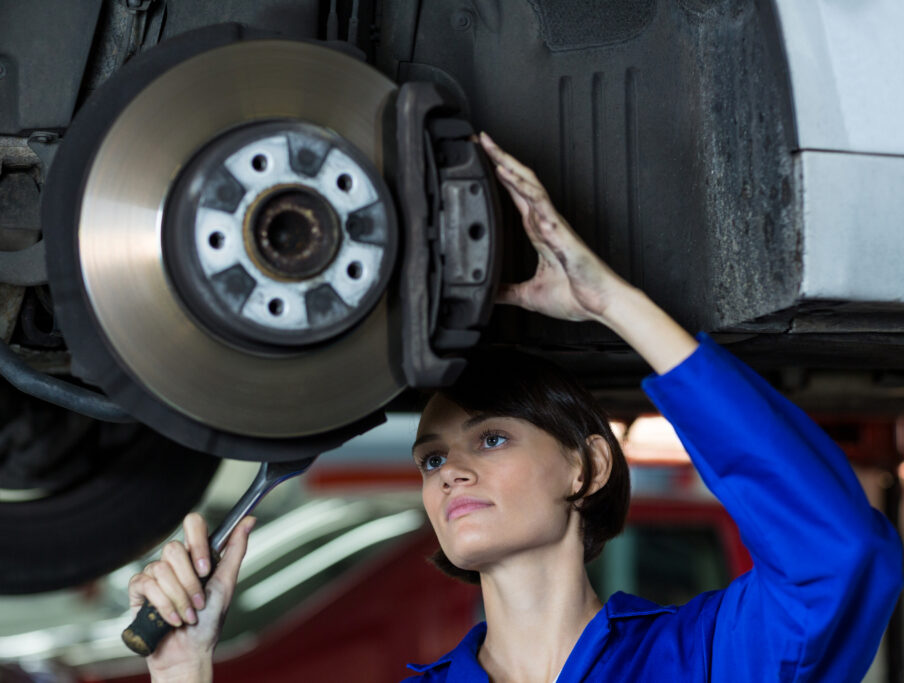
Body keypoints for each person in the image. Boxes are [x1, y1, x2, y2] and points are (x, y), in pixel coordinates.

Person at [128, 133, 904, 682]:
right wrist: (184, 666)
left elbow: (839, 555)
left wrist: (614, 305)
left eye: (490, 437)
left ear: (588, 464)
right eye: (432, 457)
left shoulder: (698, 661)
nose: (449, 472)